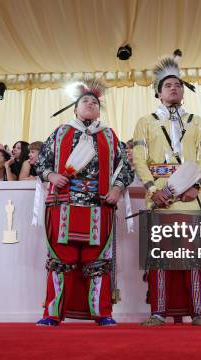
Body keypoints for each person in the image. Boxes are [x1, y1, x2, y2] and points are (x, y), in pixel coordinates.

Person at [35, 78, 133, 326]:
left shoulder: (109, 136)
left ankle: (103, 313)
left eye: (94, 102)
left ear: (99, 110)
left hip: (99, 206)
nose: (90, 104)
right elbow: (40, 163)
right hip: (63, 205)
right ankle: (52, 313)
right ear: (75, 109)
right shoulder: (60, 133)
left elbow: (125, 169)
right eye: (85, 101)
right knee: (59, 260)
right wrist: (52, 175)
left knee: (98, 260)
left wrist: (117, 189)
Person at [132, 53, 201, 326]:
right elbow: (139, 160)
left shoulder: (198, 122)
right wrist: (154, 189)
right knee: (161, 257)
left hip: (190, 197)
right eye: (167, 85)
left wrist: (196, 185)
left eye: (178, 85)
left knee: (193, 257)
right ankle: (158, 312)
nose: (174, 88)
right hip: (159, 198)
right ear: (158, 93)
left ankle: (199, 313)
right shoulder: (146, 122)